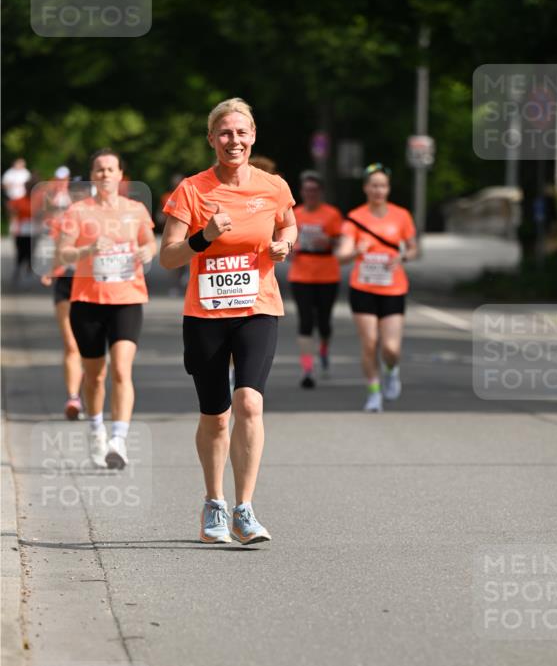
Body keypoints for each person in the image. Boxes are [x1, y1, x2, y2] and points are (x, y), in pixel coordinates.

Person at [160, 97, 296, 545]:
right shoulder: (192, 190)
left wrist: (284, 245)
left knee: (250, 403)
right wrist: (205, 236)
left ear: (253, 136)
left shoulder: (273, 186)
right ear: (211, 139)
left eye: (241, 133)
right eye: (224, 133)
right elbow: (167, 257)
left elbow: (288, 225)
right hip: (206, 315)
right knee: (216, 416)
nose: (233, 140)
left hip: (258, 307)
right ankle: (214, 503)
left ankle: (245, 508)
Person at [56, 149, 156, 468]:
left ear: (120, 174)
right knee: (95, 376)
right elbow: (63, 254)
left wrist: (146, 252)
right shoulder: (78, 211)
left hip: (127, 298)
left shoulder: (136, 209)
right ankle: (96, 428)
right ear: (92, 175)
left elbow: (150, 241)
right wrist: (87, 248)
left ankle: (118, 439)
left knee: (122, 370)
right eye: (99, 170)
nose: (105, 175)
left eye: (110, 169)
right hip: (87, 301)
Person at [337, 163, 418, 412]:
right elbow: (341, 254)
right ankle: (374, 393)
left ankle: (391, 370)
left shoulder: (401, 215)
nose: (378, 190)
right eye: (374, 185)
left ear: (388, 188)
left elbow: (414, 249)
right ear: (366, 188)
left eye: (382, 185)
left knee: (391, 349)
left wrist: (402, 257)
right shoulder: (355, 217)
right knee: (370, 344)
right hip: (363, 288)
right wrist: (354, 253)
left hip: (393, 289)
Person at [37, 168, 85, 420]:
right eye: (75, 191)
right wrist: (51, 270)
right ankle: (73, 397)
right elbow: (57, 247)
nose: (78, 195)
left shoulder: (100, 217)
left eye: (83, 191)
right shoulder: (62, 218)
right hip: (66, 282)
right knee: (70, 343)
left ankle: (89, 389)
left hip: (93, 286)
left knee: (89, 346)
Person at [289, 170, 343, 387]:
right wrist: (290, 250)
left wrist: (328, 241)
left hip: (327, 274)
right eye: (307, 190)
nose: (310, 194)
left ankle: (323, 351)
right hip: (301, 274)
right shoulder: (294, 214)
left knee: (324, 323)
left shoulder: (331, 214)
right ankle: (307, 368)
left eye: (314, 190)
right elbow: (285, 241)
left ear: (320, 192)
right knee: (305, 322)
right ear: (301, 192)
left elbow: (342, 242)